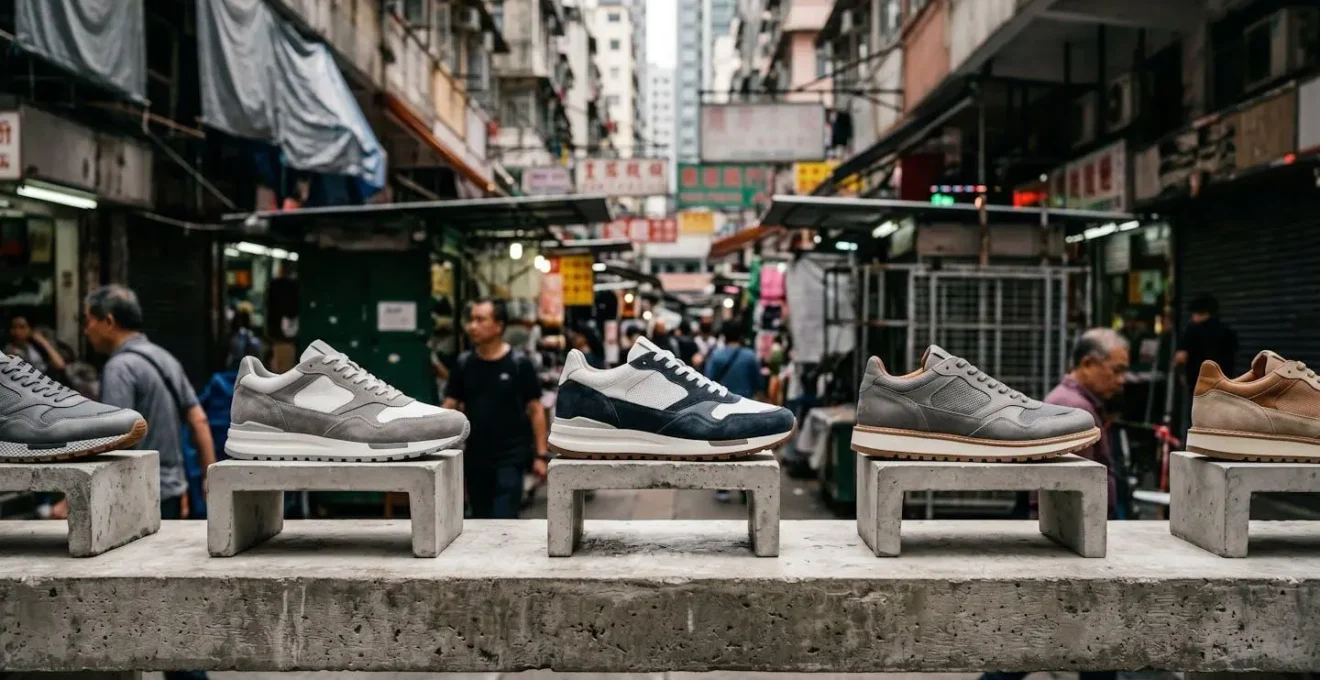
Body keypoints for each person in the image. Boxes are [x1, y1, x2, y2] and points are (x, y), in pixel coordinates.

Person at [83, 285, 218, 521]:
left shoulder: (119, 369)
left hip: (136, 495)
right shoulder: (165, 359)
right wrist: (209, 481)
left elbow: (114, 440)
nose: (86, 330)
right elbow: (199, 420)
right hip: (173, 491)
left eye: (88, 321)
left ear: (108, 321)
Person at [443, 298, 549, 518]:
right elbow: (450, 406)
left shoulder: (519, 364)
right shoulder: (464, 364)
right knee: (479, 520)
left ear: (499, 326)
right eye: (471, 320)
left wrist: (540, 455)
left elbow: (536, 409)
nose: (472, 326)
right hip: (475, 458)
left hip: (511, 458)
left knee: (504, 520)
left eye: (480, 320)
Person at [1045, 328, 1130, 517]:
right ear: (1087, 364)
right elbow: (1071, 491)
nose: (1121, 380)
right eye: (1116, 370)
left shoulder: (1076, 404)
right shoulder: (1074, 408)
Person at [703, 320, 762, 502]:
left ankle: (722, 488)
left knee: (722, 447)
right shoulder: (750, 356)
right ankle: (745, 488)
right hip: (745, 407)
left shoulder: (717, 355)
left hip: (721, 408)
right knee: (745, 448)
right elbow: (758, 382)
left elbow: (707, 381)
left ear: (724, 336)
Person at [1175, 294, 1237, 439]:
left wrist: (1179, 370)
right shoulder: (1227, 330)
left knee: (1195, 420)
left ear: (1199, 313)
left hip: (1197, 385)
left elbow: (1181, 357)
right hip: (1223, 384)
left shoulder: (1192, 330)